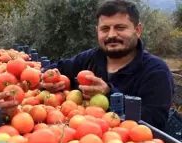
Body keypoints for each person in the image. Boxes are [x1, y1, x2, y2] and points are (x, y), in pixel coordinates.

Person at [41, 0, 174, 130]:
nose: (111, 35)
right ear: (97, 31)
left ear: (137, 30)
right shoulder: (90, 58)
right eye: (105, 29)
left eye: (120, 27)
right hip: (80, 137)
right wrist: (46, 80)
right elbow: (57, 68)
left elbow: (155, 122)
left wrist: (110, 95)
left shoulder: (156, 71)